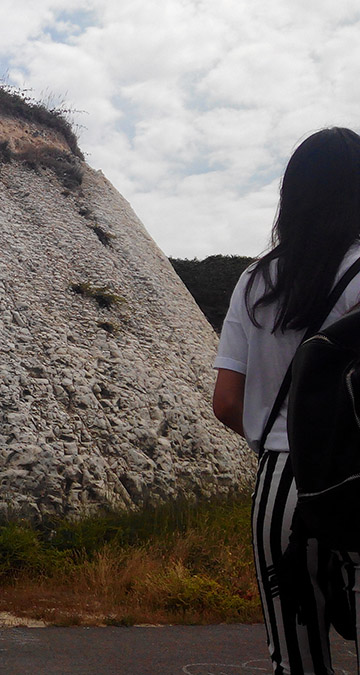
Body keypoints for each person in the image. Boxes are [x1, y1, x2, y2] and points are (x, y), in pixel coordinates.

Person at [213, 126, 360, 674]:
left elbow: (226, 401)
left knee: (295, 659)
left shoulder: (255, 282)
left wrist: (273, 439)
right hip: (356, 478)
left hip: (281, 482)